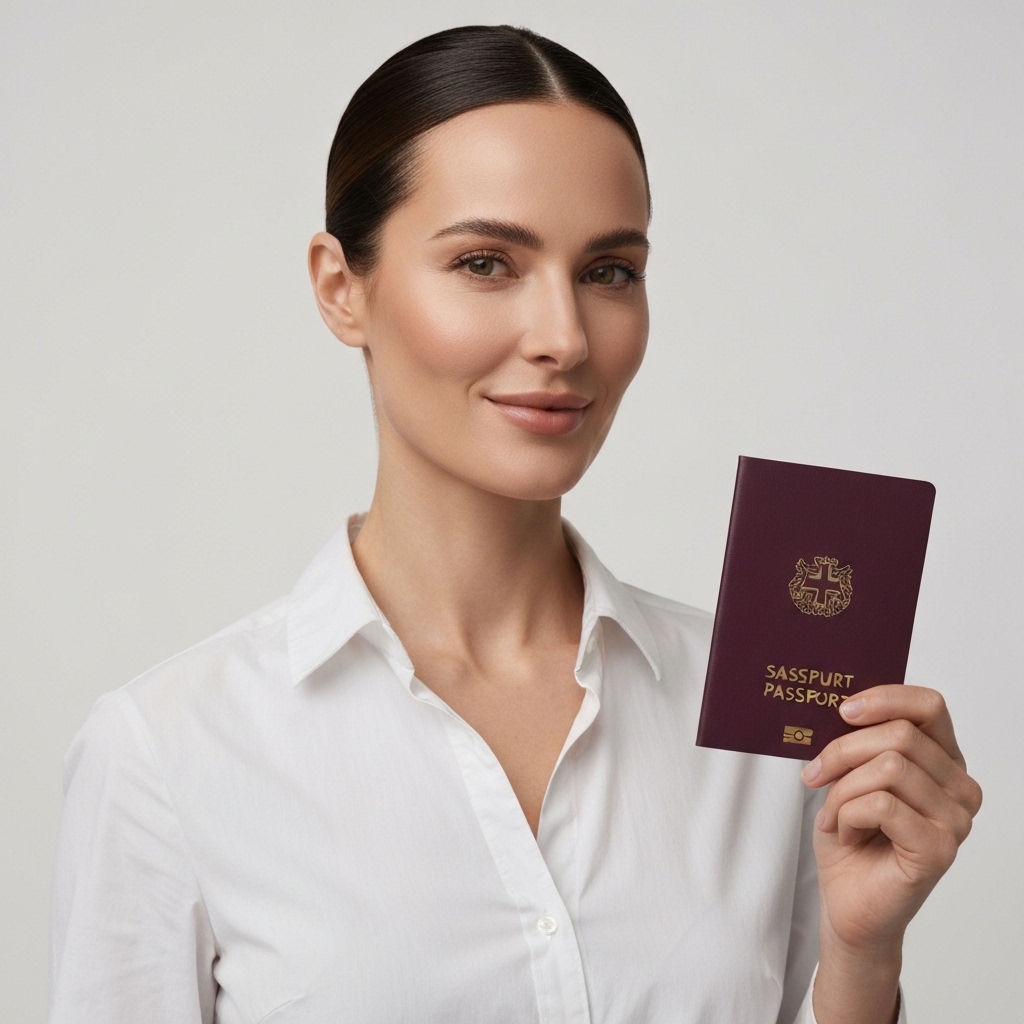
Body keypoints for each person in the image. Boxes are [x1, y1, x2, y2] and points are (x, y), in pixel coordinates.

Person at [48, 25, 981, 1024]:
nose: (565, 338)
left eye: (609, 270)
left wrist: (862, 956)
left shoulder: (763, 720)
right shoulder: (168, 751)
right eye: (487, 261)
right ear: (340, 286)